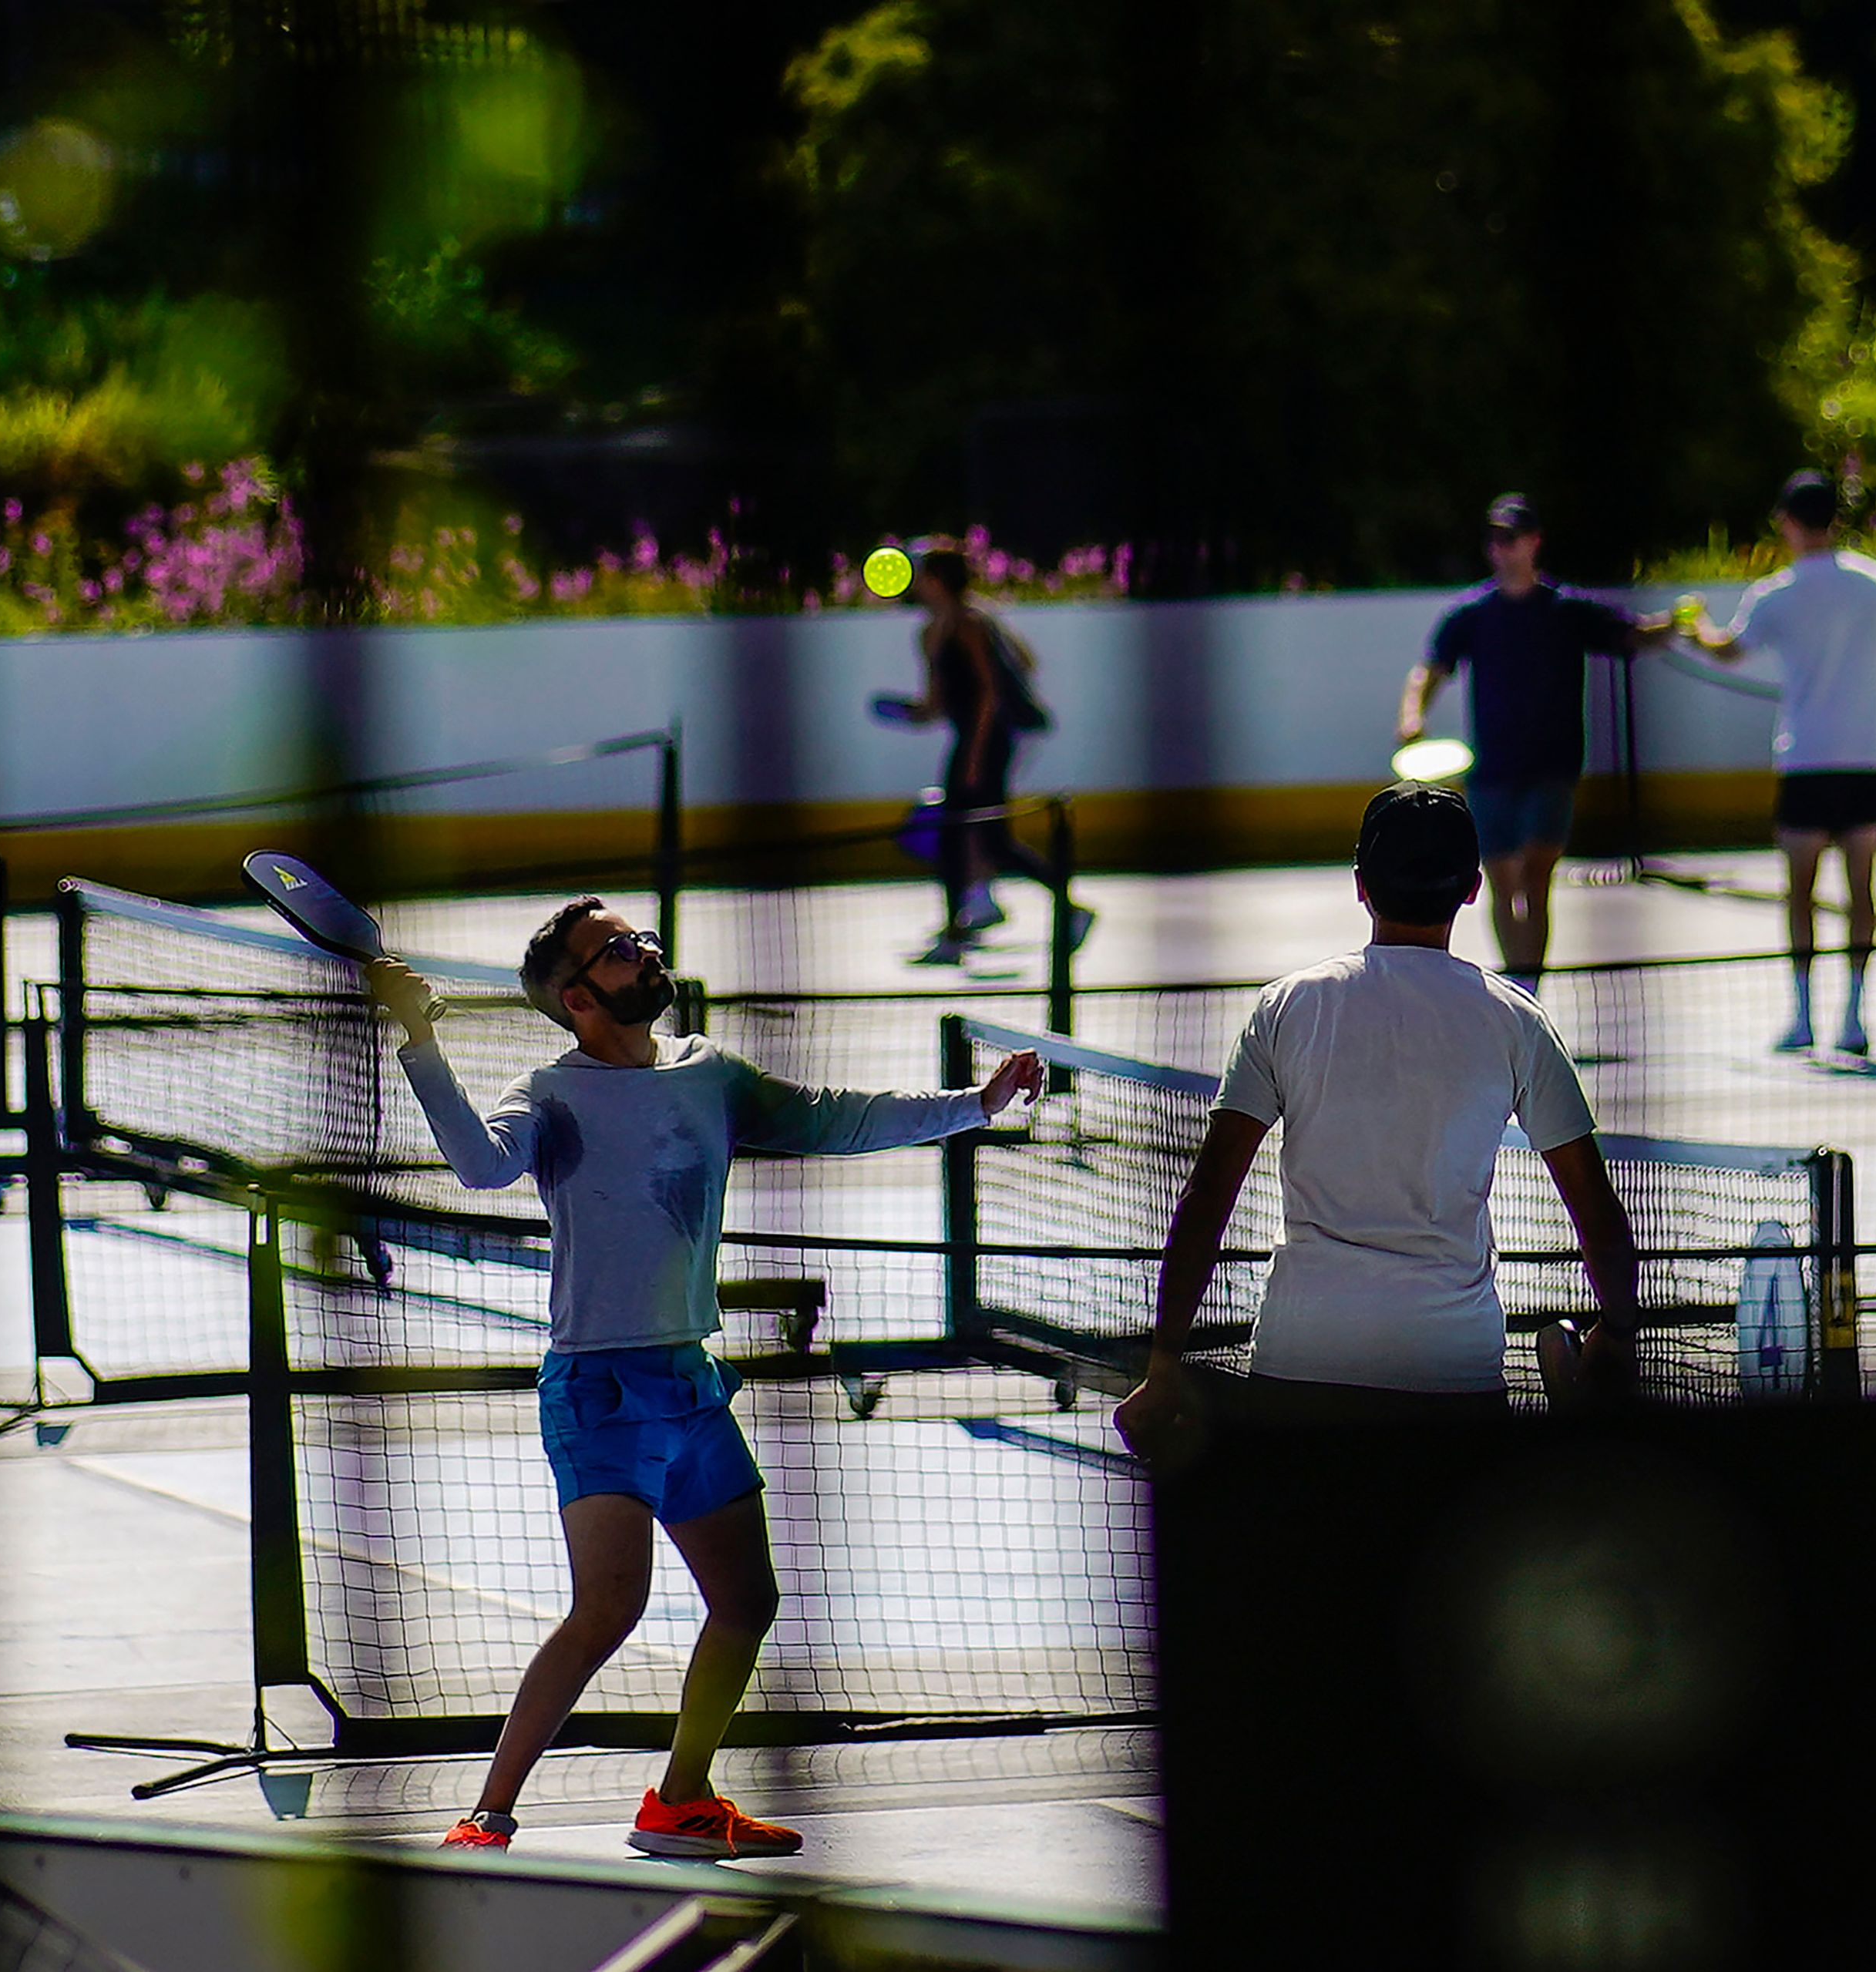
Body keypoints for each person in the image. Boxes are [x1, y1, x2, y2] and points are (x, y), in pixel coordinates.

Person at [370, 898, 1044, 1857]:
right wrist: (420, 1038)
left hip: (691, 1379)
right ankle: (490, 1814)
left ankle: (681, 1801)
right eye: (616, 950)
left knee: (747, 1601)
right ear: (577, 996)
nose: (645, 951)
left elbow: (830, 1119)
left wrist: (972, 1107)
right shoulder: (551, 1095)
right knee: (609, 1608)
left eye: (639, 937)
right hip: (599, 1390)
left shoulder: (706, 1073)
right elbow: (480, 1166)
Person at [1114, 781, 1639, 1457]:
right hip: (1454, 1375)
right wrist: (1617, 1333)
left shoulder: (1287, 1008)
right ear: (1474, 888)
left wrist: (1162, 1368)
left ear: (1360, 884)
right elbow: (1596, 1210)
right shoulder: (1518, 1024)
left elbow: (1207, 1197)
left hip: (1299, 1367)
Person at [1676, 470, 1876, 1057]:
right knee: (1863, 890)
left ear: (1789, 523)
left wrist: (1691, 629)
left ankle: (1802, 1015)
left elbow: (1730, 649)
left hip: (1808, 757)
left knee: (1800, 892)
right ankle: (1854, 1015)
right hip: (1865, 759)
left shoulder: (1776, 593)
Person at [1397, 494, 1678, 991]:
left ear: (1534, 542)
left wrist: (1679, 625)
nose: (1503, 549)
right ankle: (1518, 982)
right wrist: (1412, 714)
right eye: (1495, 540)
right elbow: (1431, 667)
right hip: (1493, 767)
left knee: (1536, 876)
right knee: (1500, 879)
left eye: (1512, 538)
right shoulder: (1473, 614)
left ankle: (1531, 985)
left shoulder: (1566, 609)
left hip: (1553, 765)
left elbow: (1634, 635)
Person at [890, 543, 1094, 965]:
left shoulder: (971, 624)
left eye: (925, 575)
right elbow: (937, 703)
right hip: (969, 740)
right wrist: (909, 713)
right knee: (955, 834)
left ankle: (1067, 907)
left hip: (988, 740)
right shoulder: (931, 633)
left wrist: (975, 757)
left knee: (991, 838)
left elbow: (988, 694)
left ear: (938, 581)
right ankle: (958, 924)